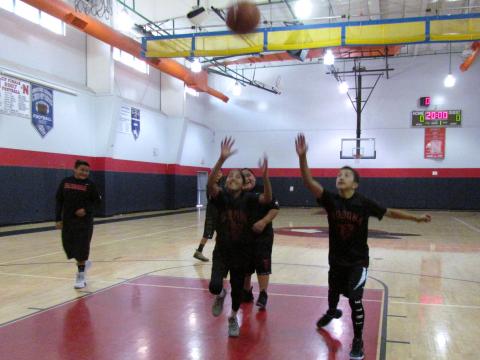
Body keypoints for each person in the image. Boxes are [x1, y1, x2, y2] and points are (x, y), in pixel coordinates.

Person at [295, 134, 431, 360]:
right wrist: (303, 157)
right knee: (333, 293)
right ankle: (331, 311)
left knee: (355, 299)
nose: (340, 177)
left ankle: (357, 341)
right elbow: (309, 182)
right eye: (338, 174)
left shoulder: (363, 202)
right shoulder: (330, 200)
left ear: (355, 184)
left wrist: (416, 219)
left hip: (358, 261)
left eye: (346, 175)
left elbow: (391, 213)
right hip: (336, 260)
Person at [208, 137, 272, 337]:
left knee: (238, 294)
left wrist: (266, 176)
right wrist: (221, 159)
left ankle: (232, 317)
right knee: (214, 286)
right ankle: (220, 295)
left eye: (237, 177)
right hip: (222, 252)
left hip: (241, 254)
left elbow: (268, 199)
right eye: (230, 177)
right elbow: (210, 184)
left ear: (244, 184)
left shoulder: (250, 200)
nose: (233, 179)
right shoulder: (221, 198)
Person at [55, 160, 101, 289]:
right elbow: (59, 201)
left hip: (84, 222)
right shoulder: (65, 182)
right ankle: (83, 264)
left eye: (87, 171)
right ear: (74, 169)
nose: (84, 173)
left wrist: (86, 210)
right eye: (82, 170)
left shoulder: (90, 185)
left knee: (81, 248)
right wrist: (58, 218)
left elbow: (97, 202)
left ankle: (81, 276)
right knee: (69, 247)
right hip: (68, 221)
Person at [241, 168, 280, 309]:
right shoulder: (237, 194)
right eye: (243, 176)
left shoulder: (263, 190)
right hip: (244, 236)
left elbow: (274, 208)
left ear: (254, 177)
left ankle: (263, 293)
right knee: (245, 264)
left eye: (248, 175)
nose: (246, 178)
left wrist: (263, 222)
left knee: (262, 263)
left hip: (263, 236)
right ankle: (246, 291)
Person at [193, 170, 224, 262]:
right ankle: (199, 251)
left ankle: (220, 252)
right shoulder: (211, 185)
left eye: (220, 173)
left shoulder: (221, 184)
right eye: (217, 173)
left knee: (221, 233)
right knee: (207, 233)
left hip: (219, 212)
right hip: (212, 212)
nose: (218, 175)